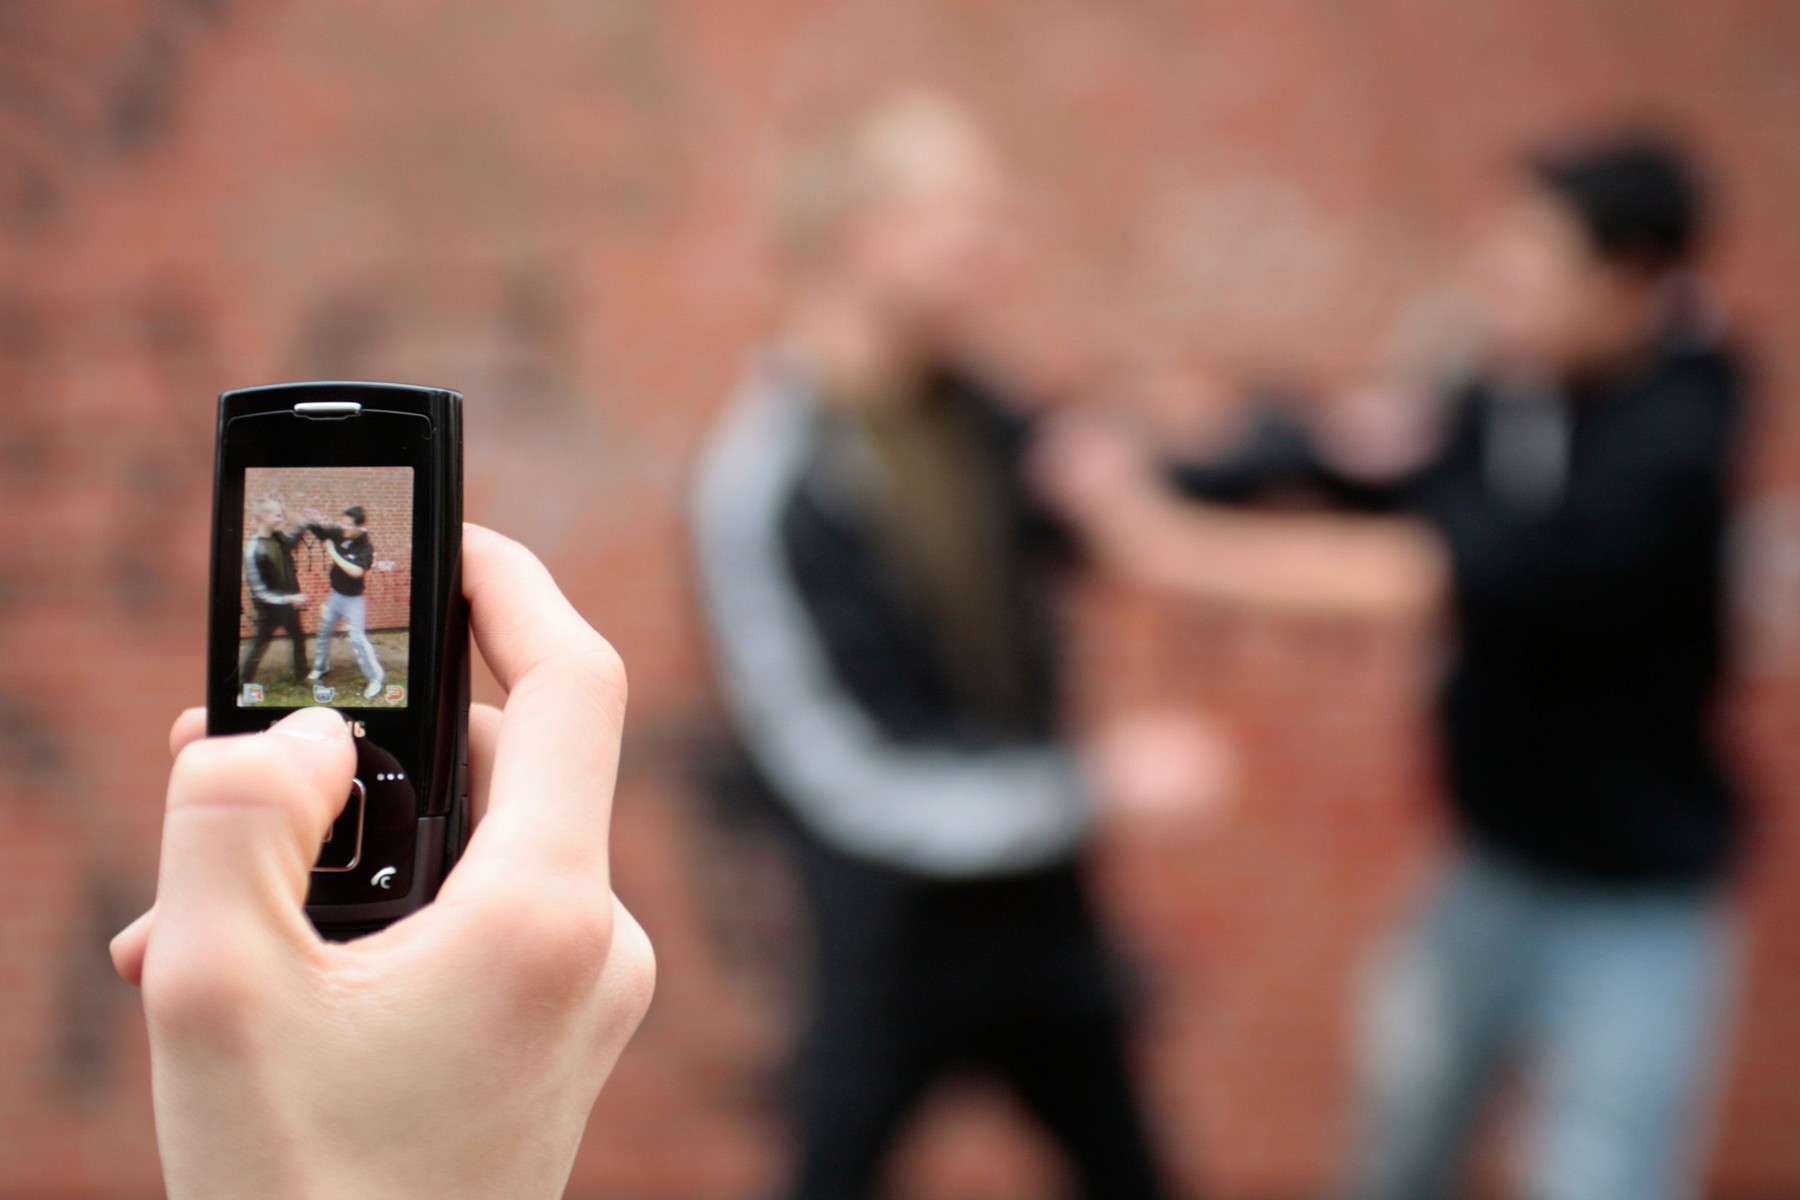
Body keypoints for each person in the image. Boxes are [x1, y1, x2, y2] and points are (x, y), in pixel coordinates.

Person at [1039, 134, 1745, 1200]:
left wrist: (1166, 547)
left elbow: (1427, 576)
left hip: (1633, 904)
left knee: (1604, 1177)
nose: (1497, 284)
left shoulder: (1672, 445)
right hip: (1492, 867)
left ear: (1628, 279)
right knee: (1404, 1141)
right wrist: (1170, 462)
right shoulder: (1514, 392)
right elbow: (1360, 459)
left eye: (1531, 261)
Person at [694, 94, 1173, 1200]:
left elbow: (1120, 485)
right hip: (893, 944)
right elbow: (834, 768)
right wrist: (1081, 790)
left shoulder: (982, 414)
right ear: (866, 233)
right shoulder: (767, 477)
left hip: (1047, 933)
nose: (998, 243)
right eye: (968, 213)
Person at [112, 524, 654, 1199]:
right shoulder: (293, 555)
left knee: (354, 648)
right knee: (298, 652)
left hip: (342, 619)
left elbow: (347, 563)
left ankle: (359, 678)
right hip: (324, 649)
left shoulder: (354, 553)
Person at [306, 504, 386, 700]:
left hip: (353, 600)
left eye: (348, 524)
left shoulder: (365, 547)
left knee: (357, 638)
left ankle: (376, 678)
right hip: (335, 595)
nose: (343, 527)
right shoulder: (339, 533)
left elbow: (356, 572)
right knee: (324, 631)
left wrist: (332, 552)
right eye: (342, 522)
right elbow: (320, 531)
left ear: (360, 525)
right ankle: (321, 666)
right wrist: (307, 520)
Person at [240, 497, 310, 690]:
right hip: (269, 610)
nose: (281, 518)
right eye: (278, 515)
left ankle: (301, 677)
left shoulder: (278, 537)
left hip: (289, 605)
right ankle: (244, 685)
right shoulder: (253, 550)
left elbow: (293, 541)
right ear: (264, 516)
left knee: (298, 638)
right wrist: (289, 598)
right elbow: (260, 591)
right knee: (260, 646)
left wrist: (302, 523)